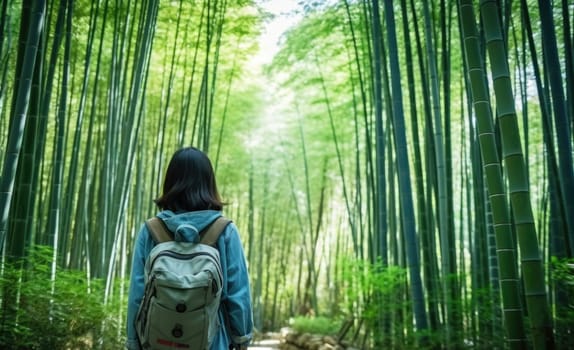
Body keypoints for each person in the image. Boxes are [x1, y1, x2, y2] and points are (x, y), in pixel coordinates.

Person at [126, 146, 253, 350]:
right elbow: (239, 295)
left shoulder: (151, 230)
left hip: (158, 342)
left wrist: (133, 341)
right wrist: (242, 338)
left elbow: (137, 295)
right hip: (213, 342)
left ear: (170, 183)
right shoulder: (225, 231)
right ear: (209, 183)